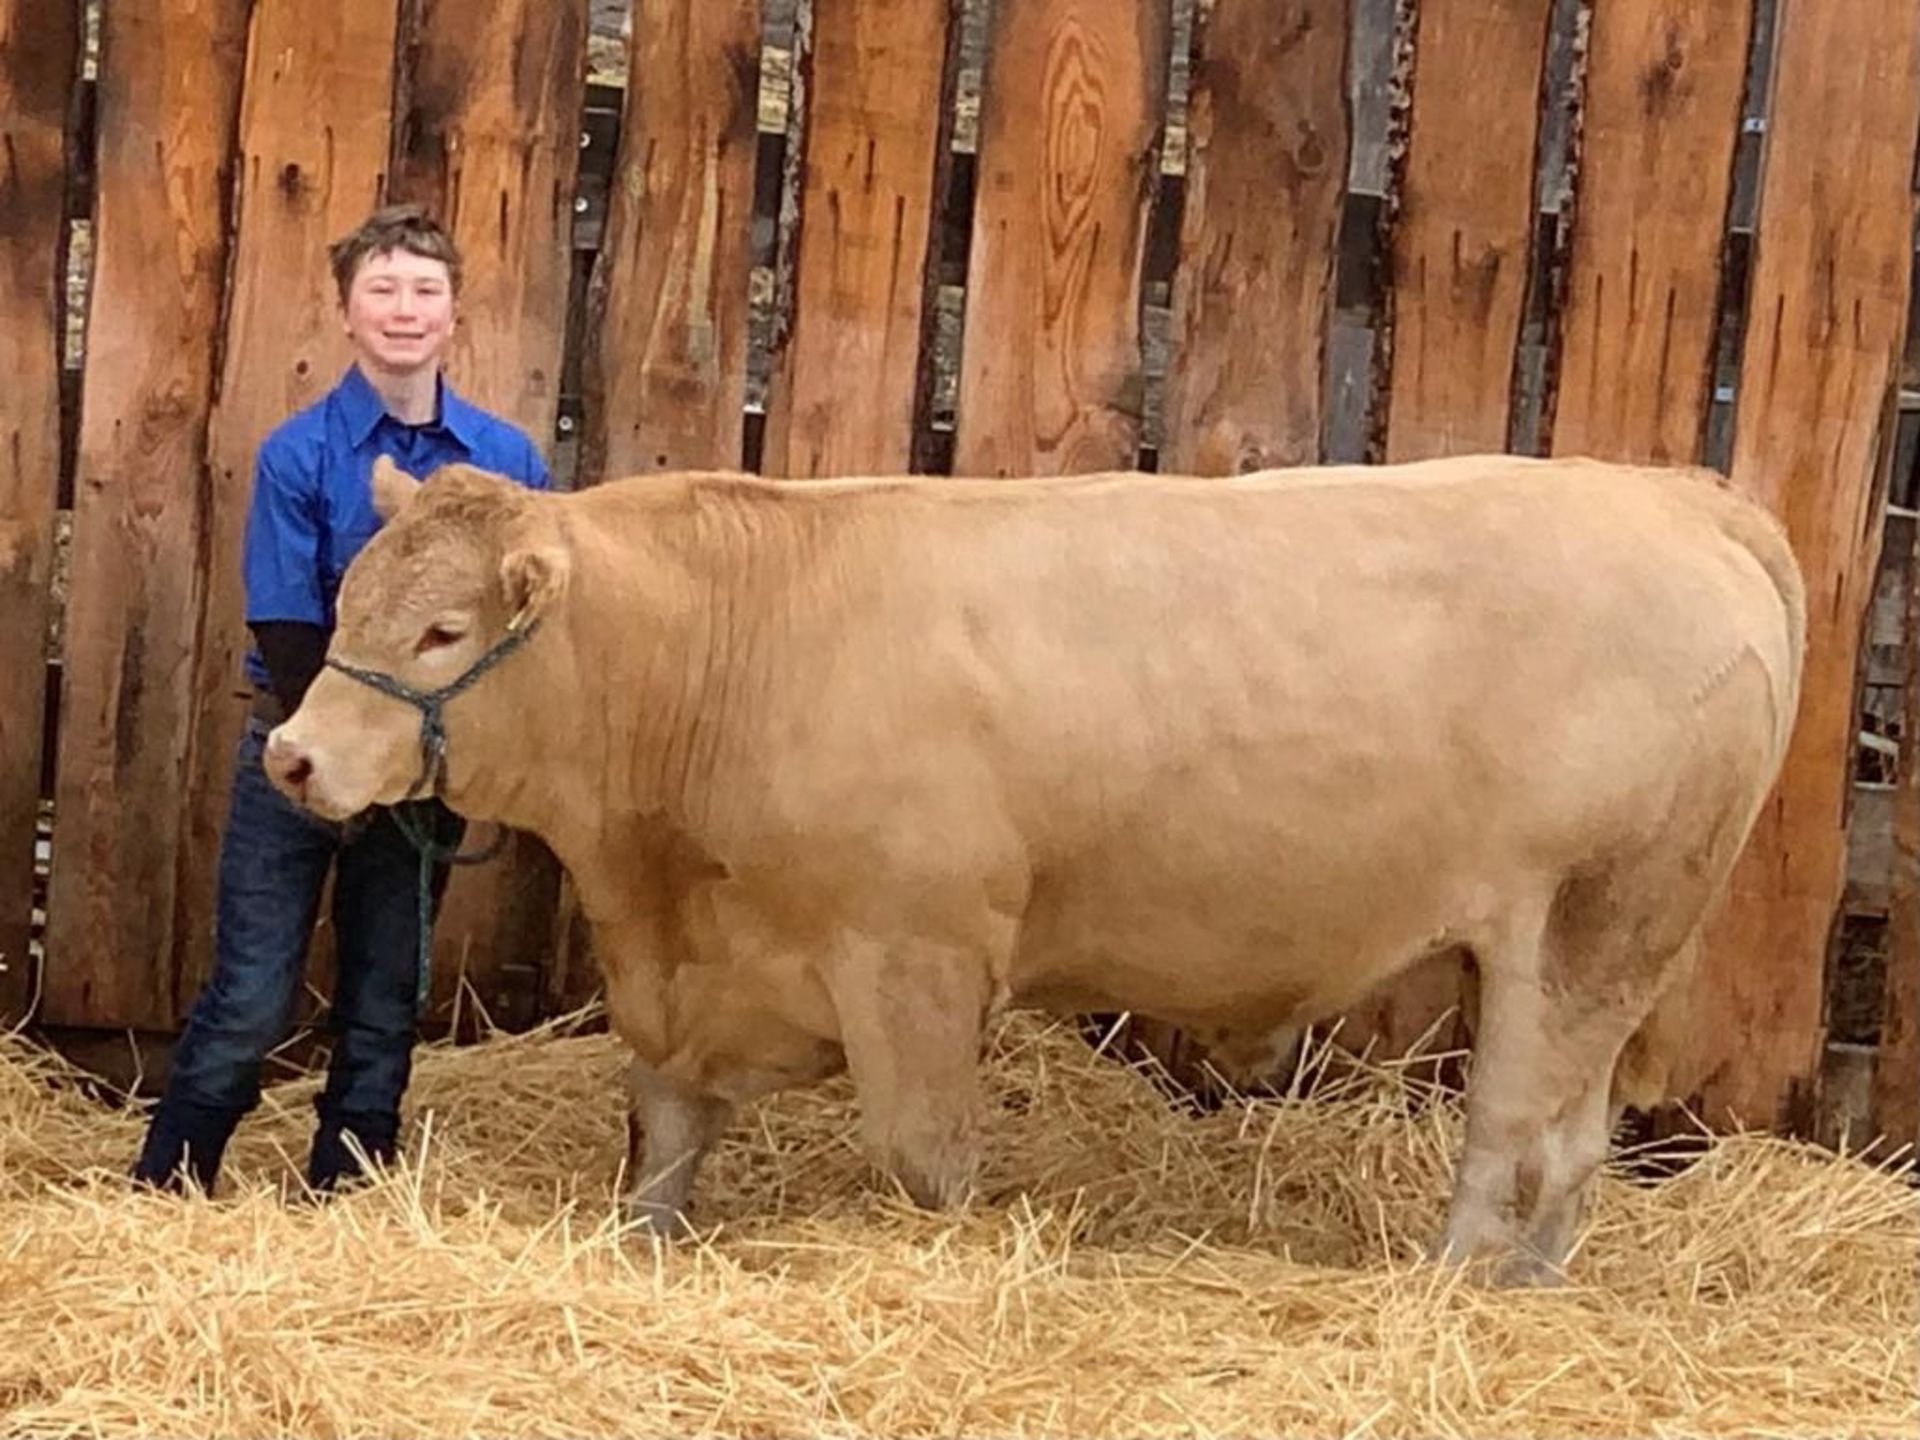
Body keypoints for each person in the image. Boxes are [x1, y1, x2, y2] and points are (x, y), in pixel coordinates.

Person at [133, 204, 551, 1195]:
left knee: (383, 994)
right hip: (299, 745)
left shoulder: (509, 464)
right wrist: (342, 752)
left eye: (425, 290)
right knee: (250, 992)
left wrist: (415, 761)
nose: (404, 309)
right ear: (346, 312)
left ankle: (347, 1195)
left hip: (416, 777)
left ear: (454, 314)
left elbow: (521, 627)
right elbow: (284, 627)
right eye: (382, 289)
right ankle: (168, 1187)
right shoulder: (297, 453)